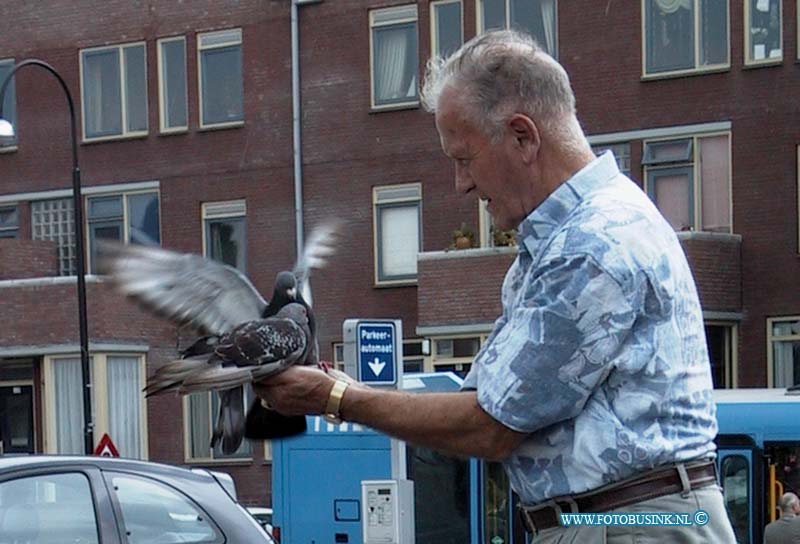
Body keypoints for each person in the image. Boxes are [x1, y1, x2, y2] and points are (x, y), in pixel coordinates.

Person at [255, 30, 737, 542]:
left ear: (523, 137)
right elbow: (483, 403)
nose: (460, 184)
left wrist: (336, 397)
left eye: (464, 159)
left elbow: (489, 425)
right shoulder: (570, 240)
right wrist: (344, 390)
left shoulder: (593, 245)